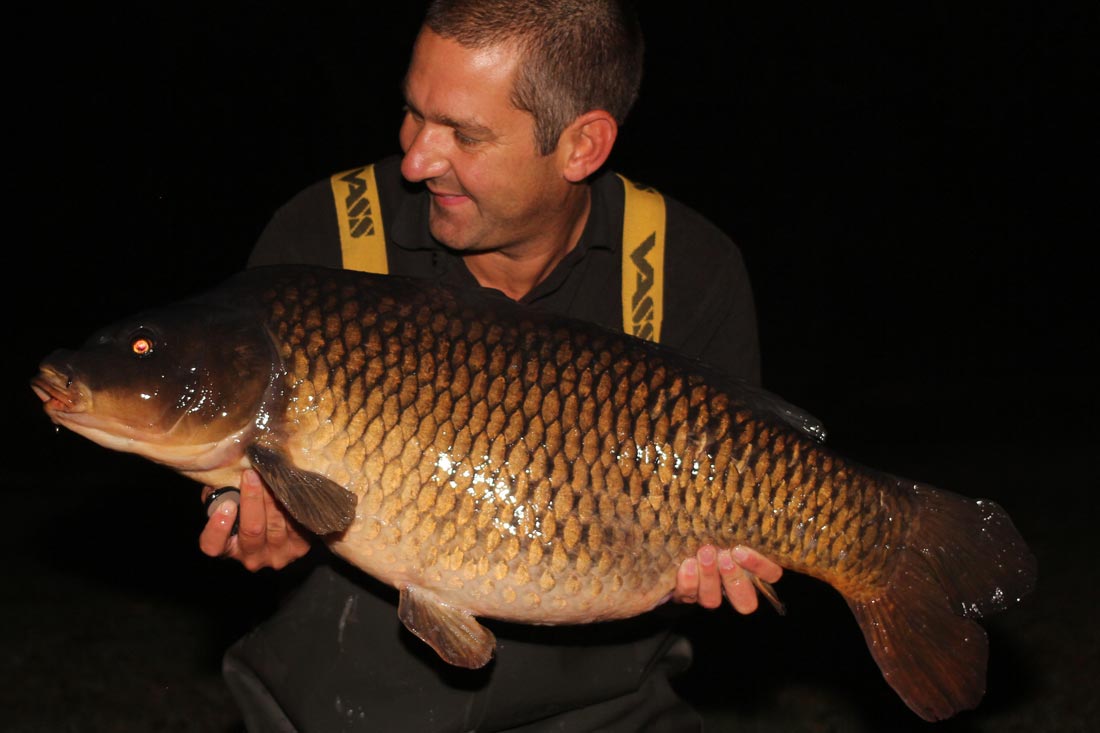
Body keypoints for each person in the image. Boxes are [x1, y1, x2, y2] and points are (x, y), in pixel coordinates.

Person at [199, 1, 783, 730]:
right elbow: (233, 443)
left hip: (606, 711)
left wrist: (707, 565)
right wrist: (243, 513)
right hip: (344, 708)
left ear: (582, 145)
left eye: (464, 135)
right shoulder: (326, 238)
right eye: (412, 113)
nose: (416, 159)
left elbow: (734, 503)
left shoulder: (685, 269)